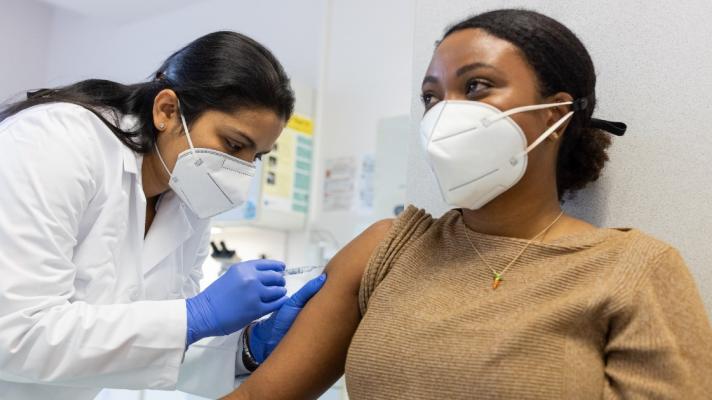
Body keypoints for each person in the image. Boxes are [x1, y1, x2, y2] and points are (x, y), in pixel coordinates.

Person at [222, 9, 712, 400]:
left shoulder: (633, 269)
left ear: (555, 115)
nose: (445, 113)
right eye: (431, 98)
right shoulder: (386, 250)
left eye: (476, 86)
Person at [0, 31, 324, 400]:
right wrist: (195, 315)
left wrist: (246, 347)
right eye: (233, 145)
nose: (241, 171)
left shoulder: (189, 200)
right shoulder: (54, 143)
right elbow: (14, 332)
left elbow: (152, 346)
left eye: (257, 156)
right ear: (166, 110)